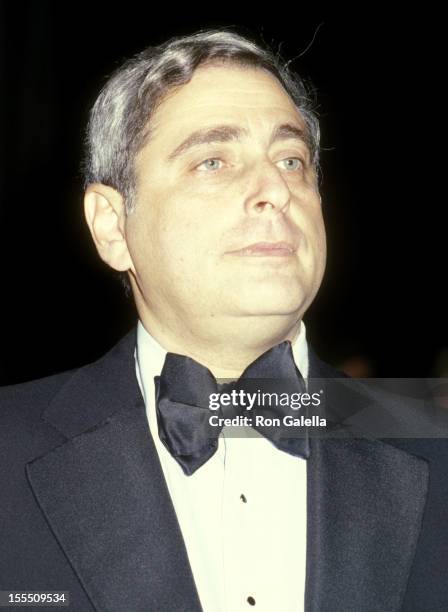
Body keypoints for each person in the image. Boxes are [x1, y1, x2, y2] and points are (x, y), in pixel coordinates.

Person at [1, 29, 447, 612]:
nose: (275, 191)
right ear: (112, 225)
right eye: (213, 161)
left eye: (291, 160)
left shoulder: (434, 444)